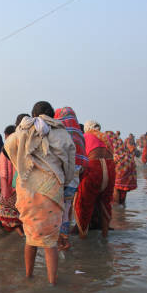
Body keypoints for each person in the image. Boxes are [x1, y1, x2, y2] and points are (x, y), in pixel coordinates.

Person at [5, 101, 75, 284]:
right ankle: (52, 283)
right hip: (51, 191)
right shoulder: (60, 132)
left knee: (30, 236)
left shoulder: (22, 130)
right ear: (52, 115)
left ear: (33, 113)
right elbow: (69, 163)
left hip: (27, 190)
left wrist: (20, 166)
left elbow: (8, 146)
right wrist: (64, 181)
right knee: (51, 240)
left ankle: (29, 276)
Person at [75, 120, 116, 238]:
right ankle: (105, 234)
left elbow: (81, 158)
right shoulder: (106, 137)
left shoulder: (85, 136)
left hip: (94, 167)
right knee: (105, 202)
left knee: (83, 202)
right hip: (110, 167)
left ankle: (83, 237)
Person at [54, 106, 87, 250]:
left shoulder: (58, 131)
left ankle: (57, 241)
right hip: (74, 175)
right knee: (67, 208)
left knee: (56, 208)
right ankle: (65, 239)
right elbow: (83, 160)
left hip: (61, 175)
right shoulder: (79, 134)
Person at [0, 125, 22, 234]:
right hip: (20, 186)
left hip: (8, 187)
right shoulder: (21, 146)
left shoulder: (6, 149)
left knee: (5, 216)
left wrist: (4, 190)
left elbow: (3, 172)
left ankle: (20, 234)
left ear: (7, 135)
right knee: (20, 214)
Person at [107, 131, 137, 205]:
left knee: (116, 186)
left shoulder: (109, 143)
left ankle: (116, 206)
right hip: (130, 163)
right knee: (123, 188)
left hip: (121, 164)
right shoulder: (120, 143)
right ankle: (122, 206)